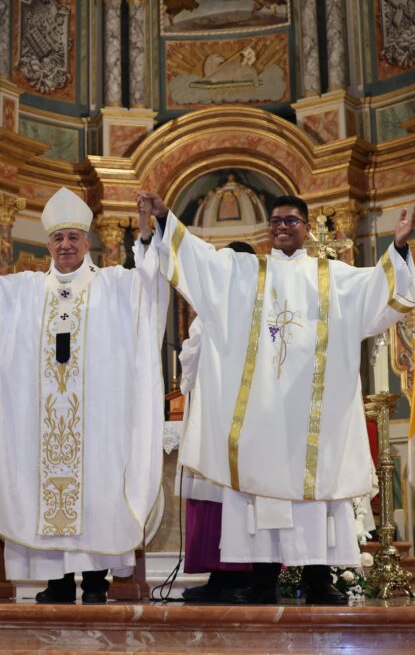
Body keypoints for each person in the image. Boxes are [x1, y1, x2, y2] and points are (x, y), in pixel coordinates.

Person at [138, 191, 415, 604]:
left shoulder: (334, 277)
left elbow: (380, 288)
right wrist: (166, 220)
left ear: (306, 228)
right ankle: (262, 578)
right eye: (274, 222)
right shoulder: (244, 272)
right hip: (263, 416)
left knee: (316, 494)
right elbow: (199, 262)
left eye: (290, 221)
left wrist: (397, 245)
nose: (281, 228)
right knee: (260, 491)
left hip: (314, 417)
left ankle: (318, 579)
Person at [0, 188, 169, 603]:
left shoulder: (114, 285)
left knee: (99, 491)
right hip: (43, 426)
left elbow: (151, 284)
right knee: (45, 487)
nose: (65, 246)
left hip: (97, 423)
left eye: (73, 238)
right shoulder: (24, 291)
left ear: (88, 242)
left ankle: (95, 582)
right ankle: (56, 582)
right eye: (58, 239)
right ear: (48, 244)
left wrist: (147, 232)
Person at [178, 242, 256, 603]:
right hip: (224, 423)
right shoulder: (214, 314)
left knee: (236, 495)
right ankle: (226, 577)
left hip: (240, 424)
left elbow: (188, 366)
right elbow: (190, 363)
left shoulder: (245, 311)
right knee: (219, 497)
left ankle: (239, 578)